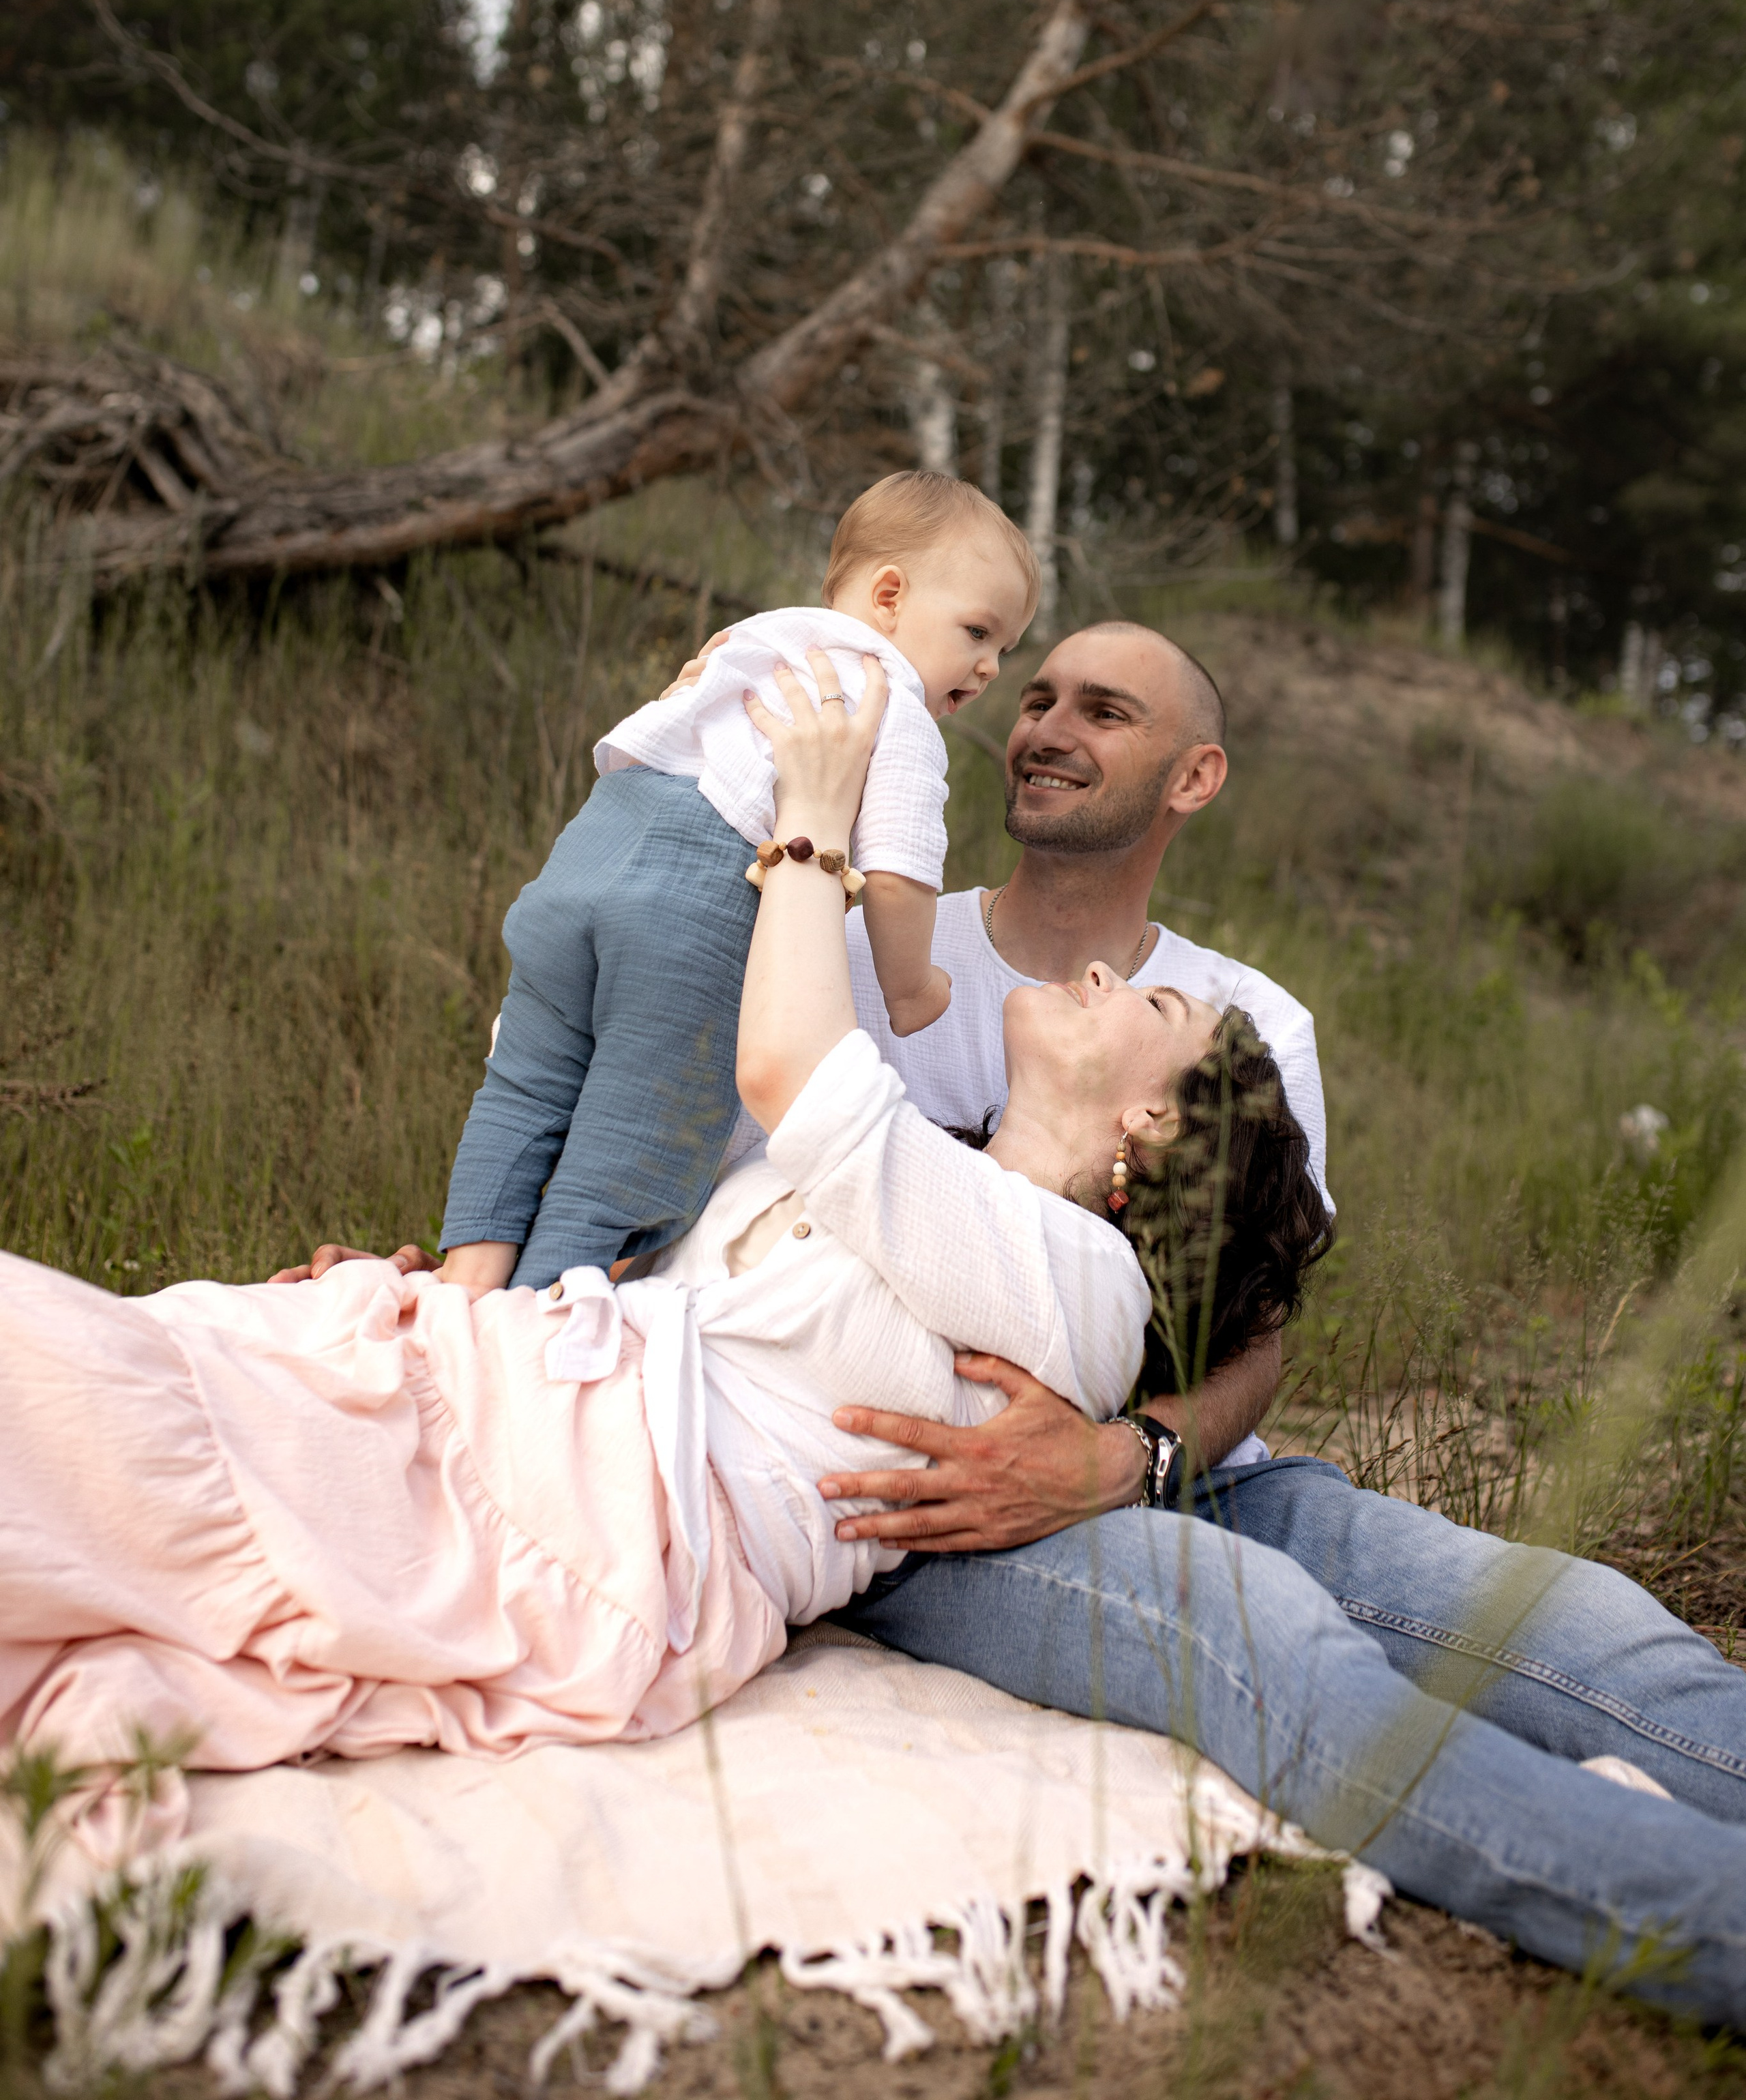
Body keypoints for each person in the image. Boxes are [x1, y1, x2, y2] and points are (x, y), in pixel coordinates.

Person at [278, 619, 1746, 2023]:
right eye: (1034, 696)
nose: (1042, 727)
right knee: (1275, 1658)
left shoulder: (1241, 1020)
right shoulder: (864, 938)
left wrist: (1132, 1461)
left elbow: (1253, 1329)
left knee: (1578, 1630)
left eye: (1103, 711)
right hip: (915, 1490)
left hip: (1148, 1456)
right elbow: (654, 1147)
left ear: (1193, 776)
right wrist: (464, 1307)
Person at [1, 655, 1282, 1803]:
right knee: (147, 1371)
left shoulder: (1083, 1296)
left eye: (1154, 1009)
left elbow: (790, 1070)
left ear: (1156, 1136)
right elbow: (649, 1157)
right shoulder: (930, 1174)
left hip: (600, 1516)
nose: (1108, 982)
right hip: (542, 1420)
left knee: (70, 1396)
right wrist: (444, 1288)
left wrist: (810, 824)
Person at [437, 473, 1037, 1295]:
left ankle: (463, 1283)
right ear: (889, 595)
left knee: (525, 1087)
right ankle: (536, 1316)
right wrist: (911, 987)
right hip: (686, 911)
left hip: (580, 863)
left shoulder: (751, 641)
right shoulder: (885, 695)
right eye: (978, 631)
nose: (989, 666)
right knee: (635, 1137)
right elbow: (900, 877)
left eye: (1004, 649)